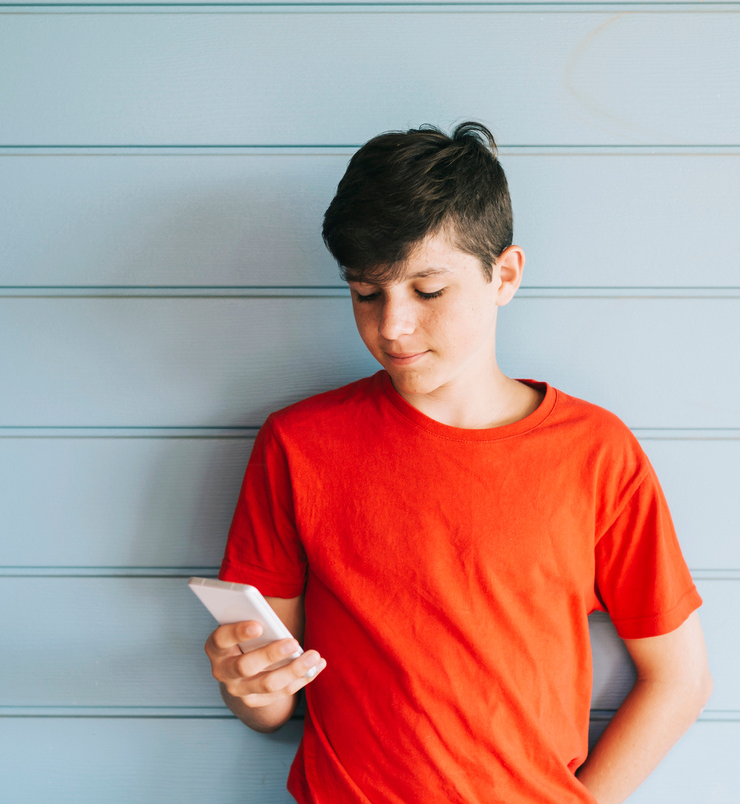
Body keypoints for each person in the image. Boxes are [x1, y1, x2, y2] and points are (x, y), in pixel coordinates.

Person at [204, 121, 712, 803]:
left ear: (504, 276)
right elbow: (271, 699)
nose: (392, 326)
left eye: (428, 291)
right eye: (365, 293)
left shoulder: (595, 451)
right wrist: (250, 690)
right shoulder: (298, 445)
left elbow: (680, 677)